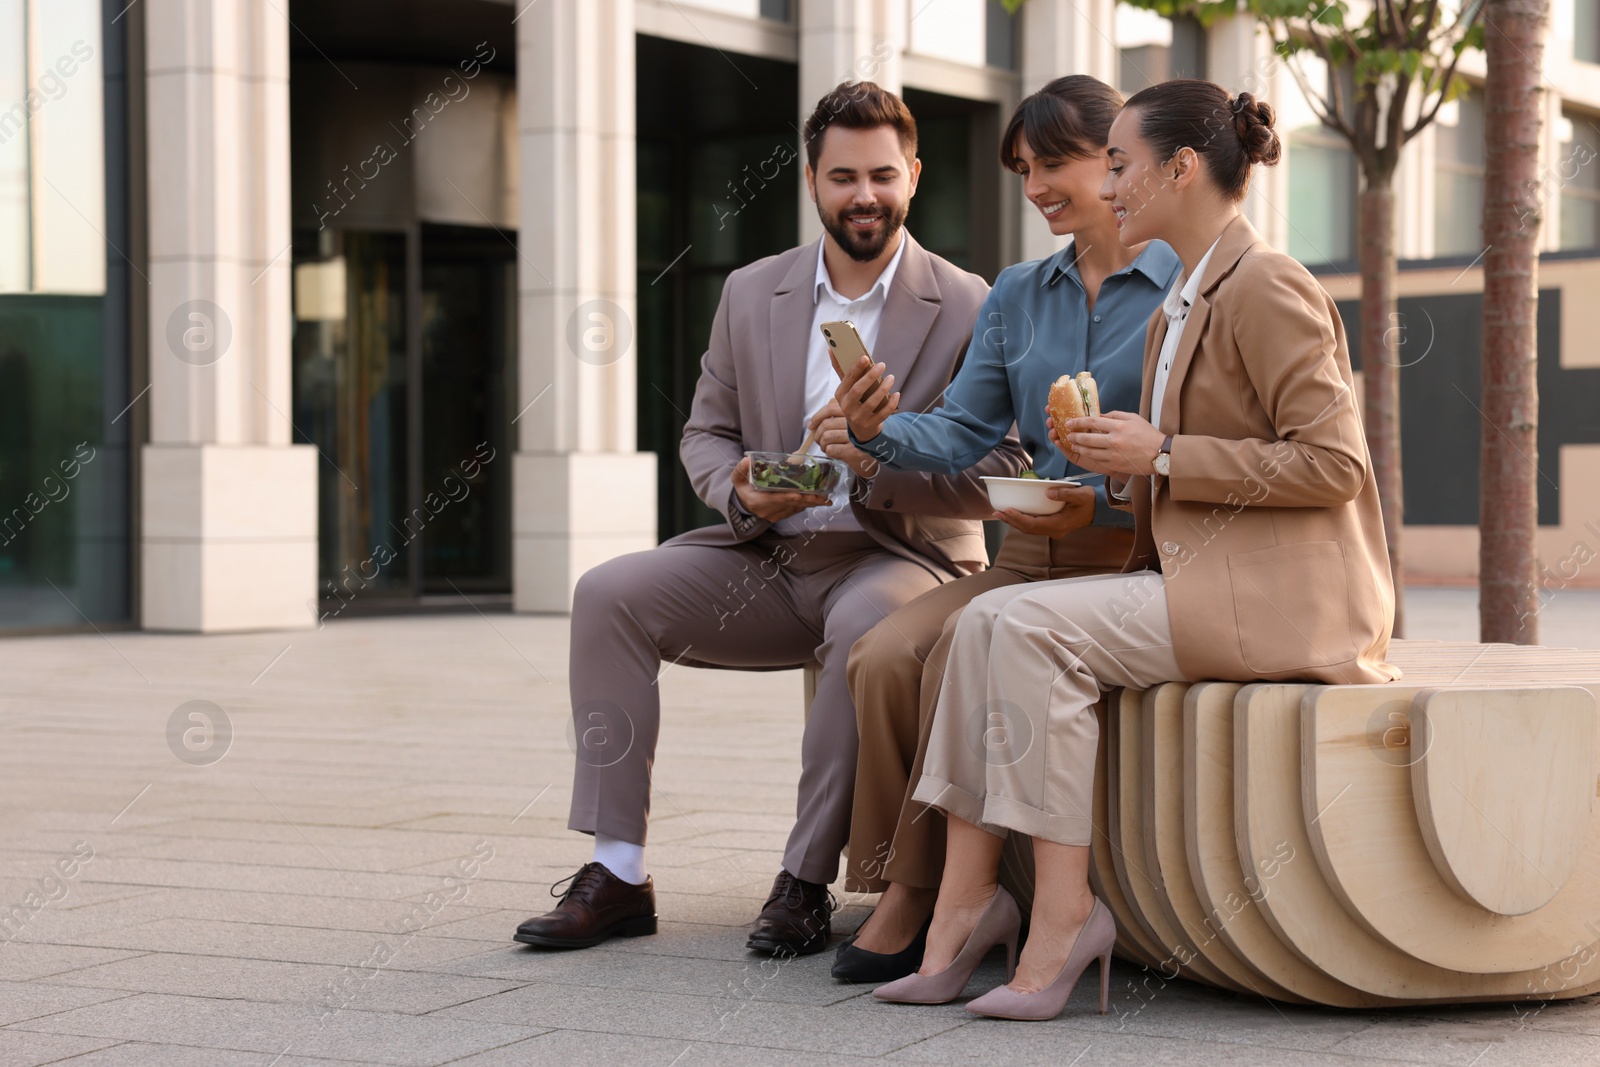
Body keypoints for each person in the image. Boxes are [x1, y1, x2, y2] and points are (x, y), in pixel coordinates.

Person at [871, 78, 1398, 1021]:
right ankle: (965, 905)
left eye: (1118, 162)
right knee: (986, 621)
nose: (1106, 186)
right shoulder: (1180, 305)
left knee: (1022, 628)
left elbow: (1335, 464)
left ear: (1182, 168)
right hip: (1200, 582)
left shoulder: (1267, 282)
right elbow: (1169, 470)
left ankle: (1065, 917)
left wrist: (1162, 453)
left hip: (1277, 602)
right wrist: (1114, 467)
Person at [513, 81, 1024, 958]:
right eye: (842, 177)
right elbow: (703, 431)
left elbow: (1003, 468)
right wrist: (744, 491)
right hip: (769, 555)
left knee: (865, 624)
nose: (864, 195)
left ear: (913, 175)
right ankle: (619, 870)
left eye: (882, 175)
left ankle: (804, 879)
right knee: (607, 594)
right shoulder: (753, 292)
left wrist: (877, 463)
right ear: (812, 181)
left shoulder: (972, 302)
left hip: (898, 555)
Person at [827, 76, 1180, 984]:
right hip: (1027, 555)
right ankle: (900, 879)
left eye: (1052, 164)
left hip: (1125, 557)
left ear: (1117, 160)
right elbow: (961, 431)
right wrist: (874, 431)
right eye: (1024, 168)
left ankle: (922, 895)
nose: (1035, 188)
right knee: (879, 652)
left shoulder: (1182, 286)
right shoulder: (1020, 294)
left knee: (950, 653)